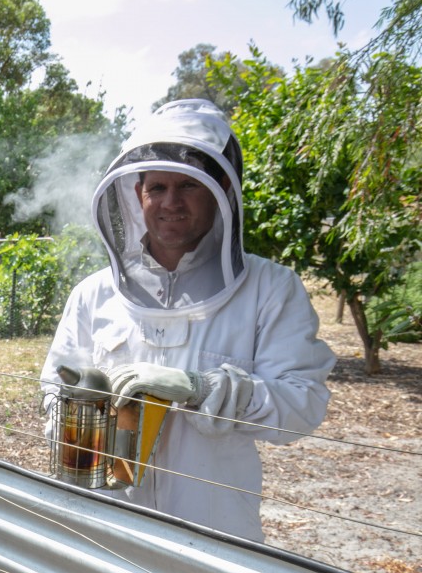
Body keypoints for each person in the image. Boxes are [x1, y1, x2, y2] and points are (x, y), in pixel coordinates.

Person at [40, 99, 335, 542]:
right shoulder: (94, 293)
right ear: (135, 194)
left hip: (216, 532)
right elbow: (52, 390)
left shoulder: (271, 289)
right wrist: (75, 404)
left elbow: (302, 407)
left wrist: (203, 389)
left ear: (220, 191)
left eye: (188, 187)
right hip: (107, 523)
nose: (170, 203)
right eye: (156, 187)